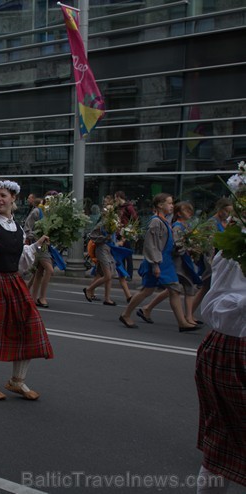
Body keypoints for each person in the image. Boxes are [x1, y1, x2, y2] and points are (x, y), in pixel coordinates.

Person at [0, 179, 53, 401]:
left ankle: (17, 381)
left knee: (28, 326)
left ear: (13, 198)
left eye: (2, 195)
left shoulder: (17, 227)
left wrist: (36, 246)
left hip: (13, 281)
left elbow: (20, 262)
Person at [194, 252, 245, 493]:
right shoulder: (236, 247)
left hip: (230, 349)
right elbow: (216, 306)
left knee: (220, 444)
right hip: (233, 348)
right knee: (220, 444)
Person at [118, 193, 199, 331]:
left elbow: (166, 243)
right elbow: (151, 245)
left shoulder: (164, 221)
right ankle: (126, 314)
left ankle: (182, 323)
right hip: (158, 262)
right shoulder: (156, 222)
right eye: (169, 203)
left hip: (165, 262)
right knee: (148, 291)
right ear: (160, 205)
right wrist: (155, 265)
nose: (172, 206)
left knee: (170, 290)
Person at [136, 202, 201, 327]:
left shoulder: (180, 225)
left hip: (178, 262)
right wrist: (188, 247)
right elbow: (168, 245)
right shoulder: (173, 225)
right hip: (176, 263)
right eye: (187, 210)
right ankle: (186, 318)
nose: (190, 213)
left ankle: (147, 309)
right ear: (178, 213)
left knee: (174, 289)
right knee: (179, 288)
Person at [24, 193, 57, 308]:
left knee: (38, 272)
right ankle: (41, 297)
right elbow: (27, 229)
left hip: (46, 246)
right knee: (49, 269)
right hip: (38, 245)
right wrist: (38, 237)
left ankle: (32, 297)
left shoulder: (53, 214)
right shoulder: (37, 211)